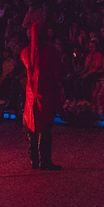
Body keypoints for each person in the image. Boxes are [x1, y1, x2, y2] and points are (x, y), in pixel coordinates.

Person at [21, 22, 64, 170]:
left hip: (31, 93)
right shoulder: (51, 51)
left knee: (31, 125)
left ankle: (34, 159)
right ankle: (43, 160)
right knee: (44, 126)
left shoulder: (25, 52)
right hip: (45, 92)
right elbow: (56, 71)